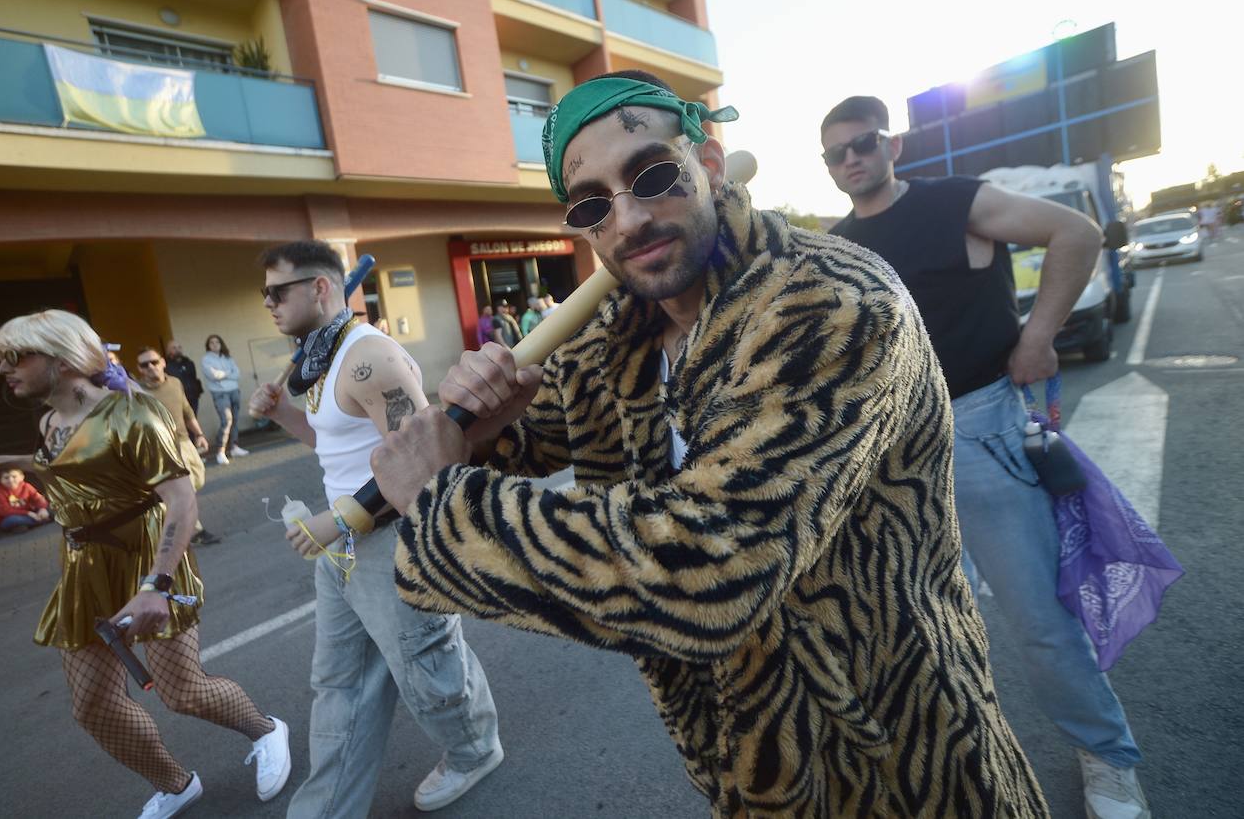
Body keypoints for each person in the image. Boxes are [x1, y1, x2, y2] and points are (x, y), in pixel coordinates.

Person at [362, 71, 1047, 816]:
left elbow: (712, 564)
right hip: (740, 756)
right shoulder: (614, 335)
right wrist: (490, 433)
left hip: (898, 754)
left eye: (651, 175)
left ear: (709, 167)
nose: (627, 221)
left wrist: (443, 506)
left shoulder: (833, 305)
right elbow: (547, 429)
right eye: (594, 203)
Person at [821, 95, 1149, 819]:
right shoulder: (839, 243)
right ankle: (954, 766)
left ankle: (1108, 757)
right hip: (892, 456)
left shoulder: (954, 201)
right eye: (836, 152)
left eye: (863, 142)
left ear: (892, 144)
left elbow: (1076, 232)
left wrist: (1038, 337)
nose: (851, 158)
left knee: (1037, 621)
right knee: (922, 629)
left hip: (978, 427)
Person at [0, 310, 290, 818]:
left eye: (16, 357)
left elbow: (182, 500)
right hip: (85, 565)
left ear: (61, 361)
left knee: (182, 691)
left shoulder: (135, 413)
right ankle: (176, 784)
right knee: (93, 706)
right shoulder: (48, 419)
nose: (3, 369)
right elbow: (58, 464)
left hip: (149, 557)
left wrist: (158, 583)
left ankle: (265, 730)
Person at [248, 241, 503, 817]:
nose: (268, 303)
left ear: (319, 288)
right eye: (263, 294)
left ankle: (474, 749)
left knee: (427, 664)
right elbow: (336, 445)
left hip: (392, 541)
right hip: (339, 549)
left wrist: (335, 520)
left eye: (277, 291)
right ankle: (328, 806)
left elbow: (424, 463)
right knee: (337, 683)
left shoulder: (371, 359)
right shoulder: (321, 358)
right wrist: (283, 415)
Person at [135, 347, 219, 547]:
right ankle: (194, 531)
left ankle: (166, 506)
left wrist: (198, 434)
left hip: (185, 441)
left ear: (163, 362)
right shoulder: (137, 392)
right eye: (144, 365)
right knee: (185, 490)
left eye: (154, 362)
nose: (150, 367)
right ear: (139, 369)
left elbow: (187, 410)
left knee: (198, 476)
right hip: (162, 448)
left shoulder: (175, 383)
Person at [201, 335, 248, 465]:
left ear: (221, 344)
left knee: (235, 420)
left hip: (234, 391)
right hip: (220, 394)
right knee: (227, 420)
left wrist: (224, 374)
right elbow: (215, 376)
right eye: (212, 342)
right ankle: (220, 452)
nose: (215, 344)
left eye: (217, 342)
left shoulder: (228, 358)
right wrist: (228, 373)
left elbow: (237, 374)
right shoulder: (206, 360)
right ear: (208, 345)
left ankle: (234, 447)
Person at [0, 467, 52, 533]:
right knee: (14, 520)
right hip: (6, 518)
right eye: (6, 478)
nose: (10, 480)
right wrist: (28, 513)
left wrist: (42, 508)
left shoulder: (26, 486)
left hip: (29, 513)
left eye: (14, 476)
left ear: (22, 477)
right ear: (0, 480)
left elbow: (38, 498)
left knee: (49, 508)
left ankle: (26, 525)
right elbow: (5, 511)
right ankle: (41, 520)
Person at [164, 340, 204, 417]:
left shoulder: (189, 363)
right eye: (174, 348)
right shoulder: (165, 366)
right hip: (178, 400)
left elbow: (193, 378)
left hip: (193, 397)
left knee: (194, 418)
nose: (177, 350)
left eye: (179, 347)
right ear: (168, 351)